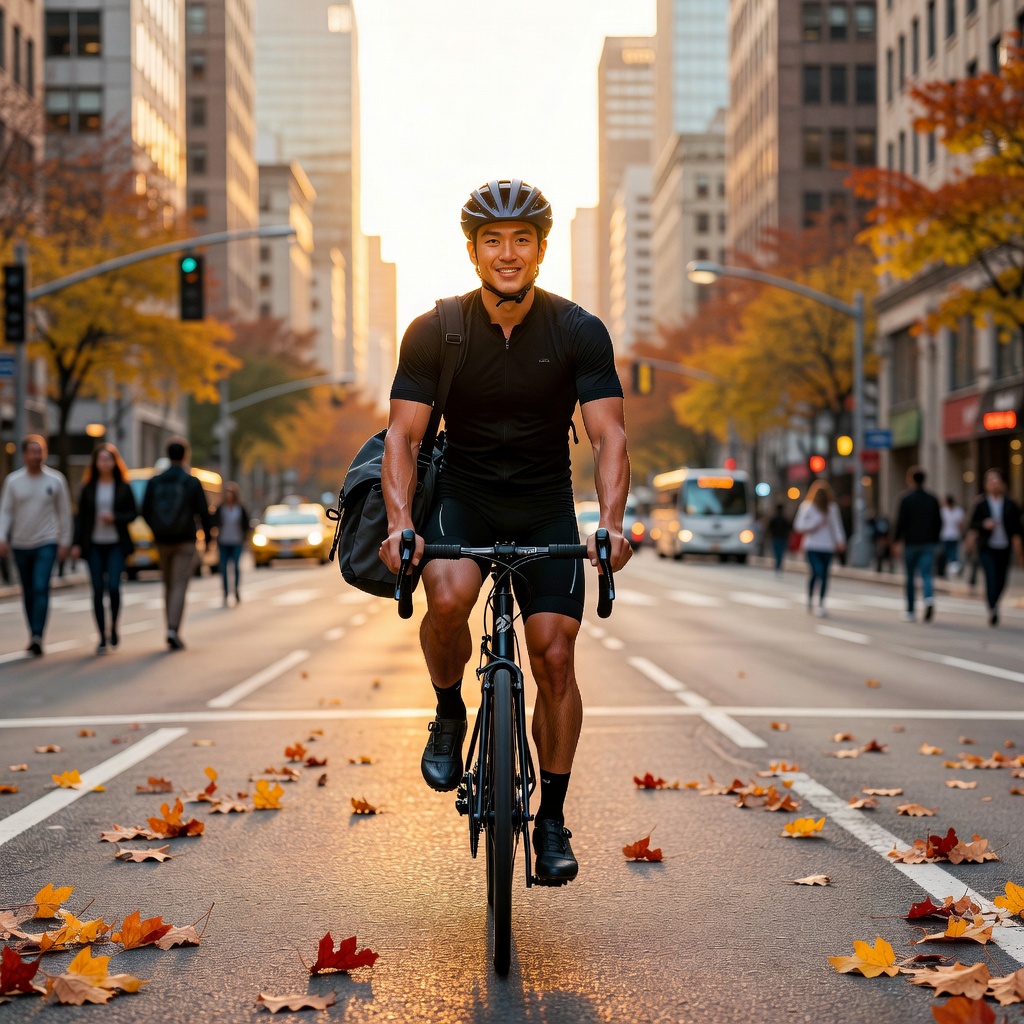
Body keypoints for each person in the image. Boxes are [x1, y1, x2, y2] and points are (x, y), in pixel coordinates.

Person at [380, 179, 632, 885]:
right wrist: (400, 525)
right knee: (446, 599)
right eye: (493, 240)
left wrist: (611, 525)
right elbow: (402, 435)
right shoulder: (435, 329)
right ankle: (448, 711)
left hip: (546, 505)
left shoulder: (578, 329)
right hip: (464, 500)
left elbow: (610, 436)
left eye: (523, 239)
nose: (508, 253)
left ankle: (551, 817)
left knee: (554, 655)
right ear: (473, 251)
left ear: (542, 250)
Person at [0, 435, 74, 656]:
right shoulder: (13, 481)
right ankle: (33, 630)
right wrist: (2, 537)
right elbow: (6, 512)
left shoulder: (55, 480)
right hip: (21, 543)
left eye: (40, 451)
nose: (36, 455)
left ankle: (37, 635)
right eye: (32, 451)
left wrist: (65, 542)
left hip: (47, 541)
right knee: (29, 590)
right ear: (24, 455)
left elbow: (64, 513)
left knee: (41, 586)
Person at [141, 438, 213, 650]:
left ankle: (170, 626)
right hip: (185, 540)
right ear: (185, 455)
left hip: (162, 540)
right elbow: (203, 512)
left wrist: (156, 529)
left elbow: (145, 510)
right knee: (179, 584)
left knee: (168, 583)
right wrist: (209, 539)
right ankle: (173, 629)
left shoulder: (155, 481)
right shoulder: (191, 482)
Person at [70, 443, 137, 654]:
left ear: (115, 462)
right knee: (98, 589)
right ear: (96, 462)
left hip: (116, 544)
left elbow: (133, 513)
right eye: (101, 459)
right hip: (94, 545)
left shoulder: (123, 487)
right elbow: (80, 518)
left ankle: (114, 626)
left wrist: (115, 517)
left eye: (109, 459)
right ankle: (101, 636)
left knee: (114, 586)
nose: (105, 463)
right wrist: (76, 544)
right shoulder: (88, 487)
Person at [965, 468, 1023, 626]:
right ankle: (992, 608)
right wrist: (984, 525)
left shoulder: (1010, 504)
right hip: (986, 547)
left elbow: (1017, 529)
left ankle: (995, 603)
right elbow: (972, 524)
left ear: (1003, 484)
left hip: (1004, 547)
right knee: (991, 577)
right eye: (990, 481)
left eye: (996, 480)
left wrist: (1018, 548)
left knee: (1002, 580)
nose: (993, 483)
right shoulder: (981, 503)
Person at [892, 467, 942, 623]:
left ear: (911, 480)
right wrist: (935, 539)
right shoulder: (932, 499)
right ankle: (929, 598)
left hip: (911, 543)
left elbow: (900, 522)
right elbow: (939, 522)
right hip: (928, 543)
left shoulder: (906, 499)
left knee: (910, 576)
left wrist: (896, 541)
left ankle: (910, 611)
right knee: (927, 574)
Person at [793, 480, 845, 617]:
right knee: (817, 571)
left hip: (828, 547)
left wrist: (840, 541)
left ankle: (821, 603)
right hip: (812, 546)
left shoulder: (831, 508)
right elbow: (798, 526)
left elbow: (836, 526)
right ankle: (810, 597)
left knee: (825, 575)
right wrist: (814, 524)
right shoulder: (807, 507)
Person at [212, 482, 249, 606]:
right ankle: (226, 592)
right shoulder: (221, 508)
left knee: (236, 566)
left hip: (237, 541)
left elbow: (246, 524)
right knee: (223, 567)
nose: (229, 495)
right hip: (223, 541)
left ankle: (236, 590)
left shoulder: (240, 508)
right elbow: (214, 522)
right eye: (227, 492)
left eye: (231, 493)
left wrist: (245, 537)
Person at [938, 495, 965, 577]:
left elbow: (960, 525)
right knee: (945, 554)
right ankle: (944, 571)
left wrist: (961, 535)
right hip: (945, 536)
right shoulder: (943, 511)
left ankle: (955, 571)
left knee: (953, 555)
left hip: (954, 536)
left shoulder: (958, 511)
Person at [766, 503, 791, 574]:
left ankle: (778, 565)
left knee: (777, 552)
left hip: (777, 538)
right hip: (781, 538)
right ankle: (778, 565)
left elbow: (769, 528)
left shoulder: (774, 518)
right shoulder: (784, 519)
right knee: (780, 552)